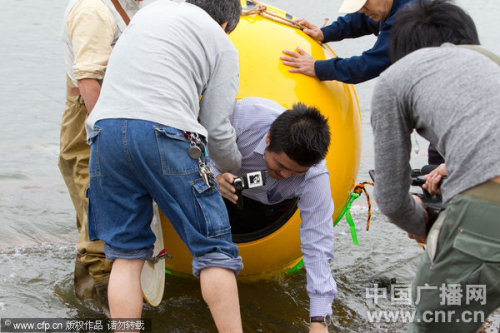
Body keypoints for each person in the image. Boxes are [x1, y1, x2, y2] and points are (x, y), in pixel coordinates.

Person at [85, 0, 244, 329]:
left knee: (126, 254)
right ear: (227, 25)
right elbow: (216, 127)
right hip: (167, 132)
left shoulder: (147, 14)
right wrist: (233, 165)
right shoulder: (221, 42)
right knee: (214, 248)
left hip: (106, 132)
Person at [370, 1, 500, 332]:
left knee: (436, 322)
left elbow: (391, 200)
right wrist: (453, 166)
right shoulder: (489, 61)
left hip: (490, 209)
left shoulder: (394, 80)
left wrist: (424, 222)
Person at [213, 97, 335, 333]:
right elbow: (191, 145)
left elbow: (318, 244)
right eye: (280, 165)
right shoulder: (241, 118)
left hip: (272, 208)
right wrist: (213, 175)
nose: (286, 175)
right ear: (268, 138)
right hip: (224, 191)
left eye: (296, 172)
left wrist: (319, 320)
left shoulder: (314, 176)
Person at [59, 0, 143, 315]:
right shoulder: (93, 9)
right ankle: (100, 306)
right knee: (96, 208)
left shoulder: (116, 8)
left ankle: (100, 300)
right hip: (91, 116)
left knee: (95, 209)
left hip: (104, 114)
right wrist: (103, 136)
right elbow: (88, 79)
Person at [280, 0, 412, 84]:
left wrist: (317, 67)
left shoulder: (408, 17)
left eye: (364, 3)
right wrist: (324, 33)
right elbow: (361, 20)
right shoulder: (388, 6)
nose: (361, 10)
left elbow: (369, 65)